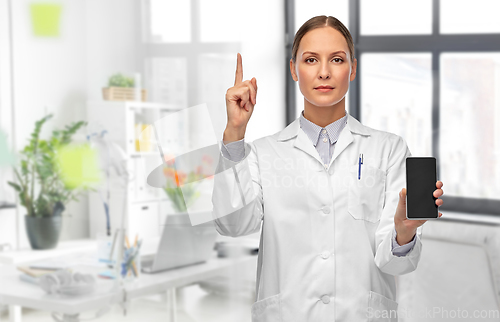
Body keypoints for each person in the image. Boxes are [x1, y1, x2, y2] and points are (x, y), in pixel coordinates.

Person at [211, 15, 444, 322]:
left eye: (336, 59)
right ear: (294, 69)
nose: (323, 72)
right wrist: (234, 134)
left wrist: (403, 232)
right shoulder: (263, 153)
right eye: (310, 60)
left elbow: (396, 264)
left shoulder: (388, 149)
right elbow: (232, 225)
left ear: (353, 69)